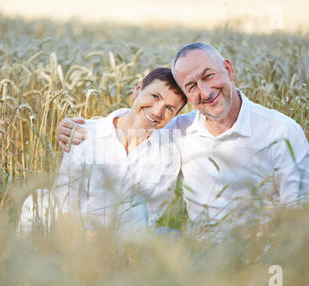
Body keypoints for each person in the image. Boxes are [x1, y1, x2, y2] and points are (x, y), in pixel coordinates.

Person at [57, 42, 309, 233]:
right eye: (191, 87)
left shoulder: (281, 132)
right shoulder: (178, 129)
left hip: (263, 261)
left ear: (228, 69)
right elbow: (141, 118)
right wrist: (77, 128)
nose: (205, 92)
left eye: (208, 76)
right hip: (199, 264)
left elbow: (305, 212)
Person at [19, 67, 187, 236]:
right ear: (138, 90)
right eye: (155, 96)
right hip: (74, 236)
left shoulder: (168, 155)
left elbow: (149, 217)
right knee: (38, 200)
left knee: (168, 232)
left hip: (126, 242)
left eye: (170, 109)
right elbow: (65, 199)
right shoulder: (84, 134)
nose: (158, 111)